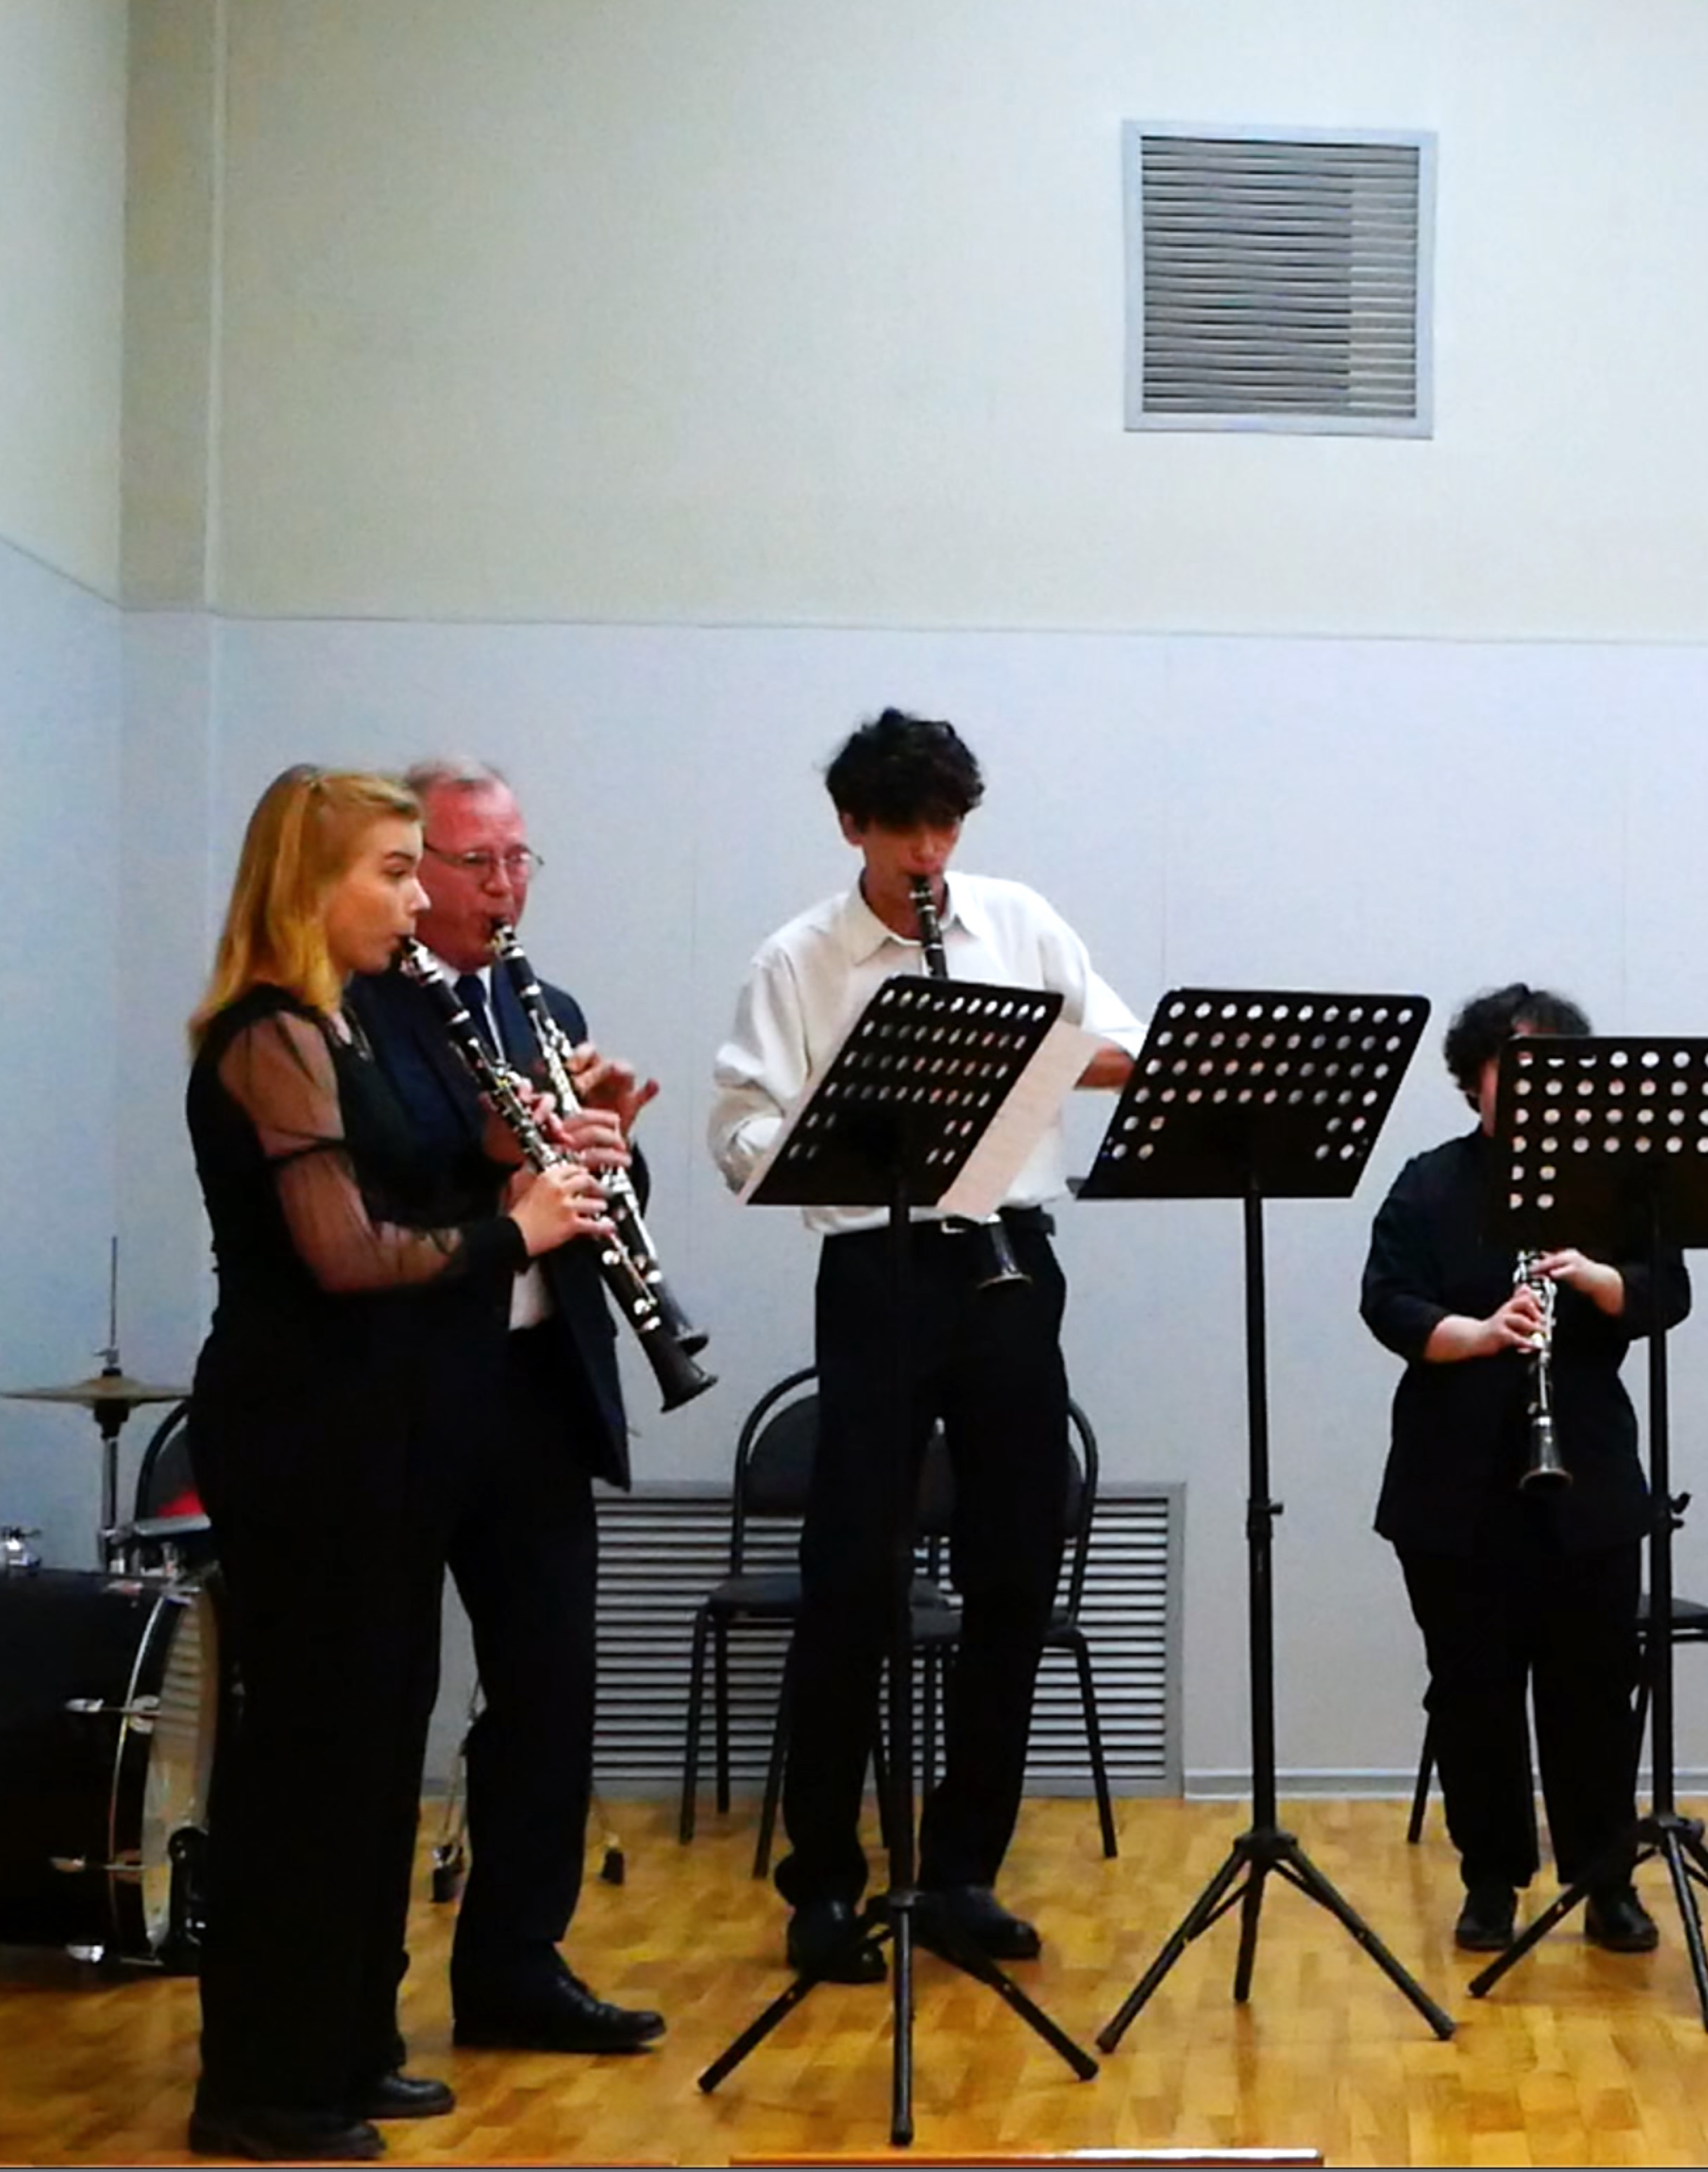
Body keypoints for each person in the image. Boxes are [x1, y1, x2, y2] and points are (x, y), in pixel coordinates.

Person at [181, 766, 605, 2161]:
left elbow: (409, 1178)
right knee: (308, 1761)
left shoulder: (355, 1026)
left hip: (385, 1429)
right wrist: (518, 1230)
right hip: (302, 1432)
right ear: (309, 884)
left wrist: (510, 1148)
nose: (421, 898)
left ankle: (350, 2041)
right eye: (393, 870)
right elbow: (345, 1252)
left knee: (374, 1750)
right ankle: (262, 2084)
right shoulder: (269, 1031)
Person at [708, 709, 1141, 1982]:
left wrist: (1028, 1060)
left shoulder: (1016, 919)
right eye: (904, 828)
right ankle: (825, 1882)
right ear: (853, 826)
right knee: (851, 1575)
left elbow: (1119, 1049)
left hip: (1009, 1262)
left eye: (947, 825)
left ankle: (962, 1870)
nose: (929, 853)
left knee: (1016, 1569)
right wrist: (854, 1119)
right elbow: (740, 1133)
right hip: (879, 1267)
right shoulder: (799, 958)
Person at [344, 756, 667, 2054]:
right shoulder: (354, 1008)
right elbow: (361, 1201)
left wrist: (609, 1140)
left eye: (518, 858)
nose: (504, 884)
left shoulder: (547, 1004)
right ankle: (354, 1995)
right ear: (413, 869)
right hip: (409, 1389)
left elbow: (584, 1200)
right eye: (475, 861)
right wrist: (491, 1168)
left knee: (549, 1687)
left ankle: (515, 1966)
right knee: (387, 1695)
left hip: (539, 1386)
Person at [1358, 983, 1683, 1954]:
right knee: (1473, 1691)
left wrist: (1594, 1276)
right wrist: (1478, 1332)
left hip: (1586, 1472)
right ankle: (1490, 1876)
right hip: (1453, 1477)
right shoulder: (1429, 1184)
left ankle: (1605, 1878)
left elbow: (1666, 1293)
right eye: (1514, 1064)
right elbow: (1386, 1301)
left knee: (1593, 1688)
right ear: (1476, 1079)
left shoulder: (1616, 1185)